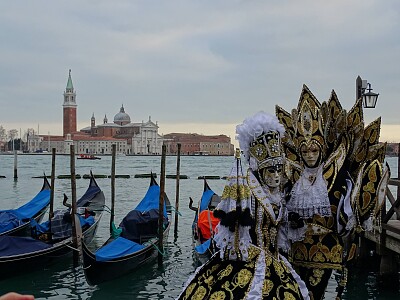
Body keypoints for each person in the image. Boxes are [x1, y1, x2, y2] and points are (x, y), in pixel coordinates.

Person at [176, 111, 309, 300]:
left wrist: (290, 221)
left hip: (276, 261)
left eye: (279, 170)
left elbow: (278, 232)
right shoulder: (245, 191)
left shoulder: (278, 195)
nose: (277, 176)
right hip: (248, 260)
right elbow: (232, 231)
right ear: (259, 169)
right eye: (271, 170)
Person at [276, 85, 388, 300]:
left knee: (313, 294)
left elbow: (349, 212)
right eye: (305, 150)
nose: (309, 155)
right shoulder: (293, 176)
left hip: (326, 249)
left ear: (322, 149)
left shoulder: (336, 175)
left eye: (314, 150)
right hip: (296, 249)